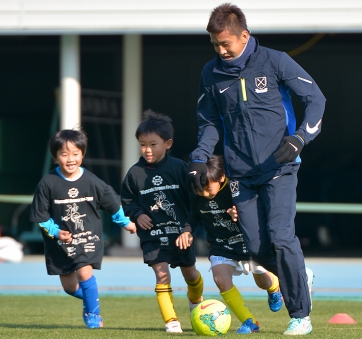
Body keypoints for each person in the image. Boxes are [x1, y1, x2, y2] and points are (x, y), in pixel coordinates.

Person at [187, 3, 324, 335]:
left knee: (280, 236)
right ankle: (297, 275)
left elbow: (316, 99)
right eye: (215, 46)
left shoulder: (275, 61)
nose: (221, 51)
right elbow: (209, 122)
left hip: (280, 166)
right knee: (257, 248)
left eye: (226, 44)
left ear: (244, 35)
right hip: (240, 174)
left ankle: (300, 315)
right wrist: (199, 155)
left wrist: (300, 139)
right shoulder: (211, 73)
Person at [29, 129, 136, 329]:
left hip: (88, 239)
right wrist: (56, 232)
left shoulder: (93, 182)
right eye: (64, 154)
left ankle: (93, 315)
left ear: (83, 154)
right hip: (60, 244)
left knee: (85, 272)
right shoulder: (47, 184)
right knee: (69, 287)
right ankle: (91, 296)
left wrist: (127, 224)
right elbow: (41, 218)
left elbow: (113, 204)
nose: (71, 159)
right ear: (55, 156)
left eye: (75, 153)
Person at [177, 155, 283, 334]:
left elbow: (257, 209)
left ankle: (274, 287)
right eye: (199, 189)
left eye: (208, 188)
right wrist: (187, 230)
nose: (203, 193)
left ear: (221, 178)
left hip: (247, 243)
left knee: (262, 281)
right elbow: (194, 215)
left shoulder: (236, 190)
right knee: (220, 279)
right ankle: (250, 321)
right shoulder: (197, 193)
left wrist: (241, 214)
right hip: (221, 245)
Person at [121, 110, 204, 333]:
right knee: (161, 273)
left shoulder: (179, 168)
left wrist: (188, 229)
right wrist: (137, 214)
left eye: (153, 144)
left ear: (168, 143)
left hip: (180, 234)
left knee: (191, 274)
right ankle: (172, 322)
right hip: (153, 235)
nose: (147, 150)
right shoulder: (134, 174)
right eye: (143, 144)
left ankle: (196, 301)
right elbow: (127, 201)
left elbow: (194, 202)